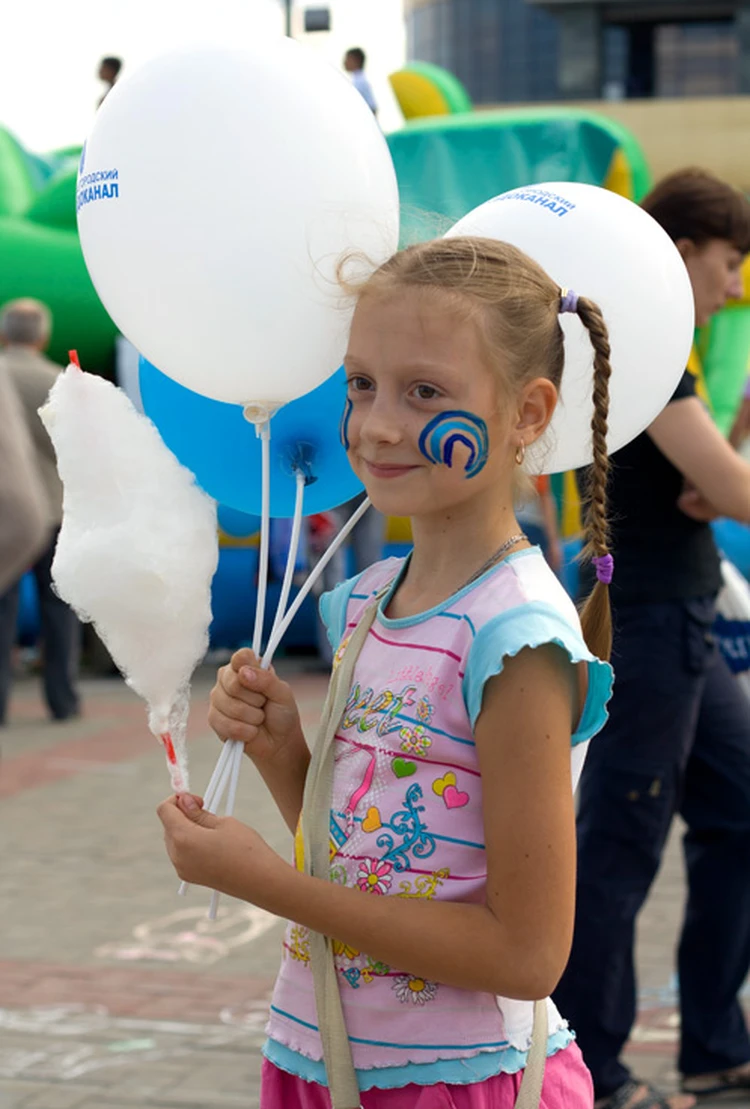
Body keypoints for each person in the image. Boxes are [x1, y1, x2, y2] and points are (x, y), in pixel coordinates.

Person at [158, 236, 617, 1108]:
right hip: (319, 1053)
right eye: (361, 383)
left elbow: (526, 953)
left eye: (425, 392)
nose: (375, 424)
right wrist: (285, 751)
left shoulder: (515, 638)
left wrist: (270, 885)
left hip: (454, 1079)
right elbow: (368, 854)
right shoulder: (367, 599)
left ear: (527, 412)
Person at [553, 168, 750, 1109]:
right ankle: (590, 1067)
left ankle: (714, 1042)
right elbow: (729, 491)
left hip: (688, 623)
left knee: (739, 809)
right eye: (728, 262)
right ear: (678, 253)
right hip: (649, 620)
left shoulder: (671, 353)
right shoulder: (638, 350)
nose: (733, 285)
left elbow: (706, 490)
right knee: (619, 847)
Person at [0, 300, 80, 724]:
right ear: (44, 337)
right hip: (53, 509)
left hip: (4, 514)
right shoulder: (58, 381)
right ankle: (63, 701)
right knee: (59, 610)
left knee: (1, 608)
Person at [343, 47, 377, 115]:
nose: (344, 62)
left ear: (356, 60)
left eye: (347, 59)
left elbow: (372, 107)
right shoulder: (357, 80)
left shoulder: (360, 82)